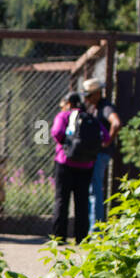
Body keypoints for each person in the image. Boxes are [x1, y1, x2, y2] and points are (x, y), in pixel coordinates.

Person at [51, 91, 107, 244]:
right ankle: (81, 238)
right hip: (86, 165)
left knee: (62, 199)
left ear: (68, 103)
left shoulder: (64, 116)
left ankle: (59, 237)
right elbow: (105, 136)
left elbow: (56, 132)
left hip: (64, 163)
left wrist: (67, 145)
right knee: (82, 201)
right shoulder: (90, 117)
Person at [83, 76, 121, 227]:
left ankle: (96, 230)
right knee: (93, 189)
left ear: (98, 93)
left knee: (95, 191)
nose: (87, 99)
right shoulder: (96, 108)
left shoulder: (106, 108)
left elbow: (116, 123)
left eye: (89, 95)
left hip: (100, 154)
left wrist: (107, 141)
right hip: (95, 154)